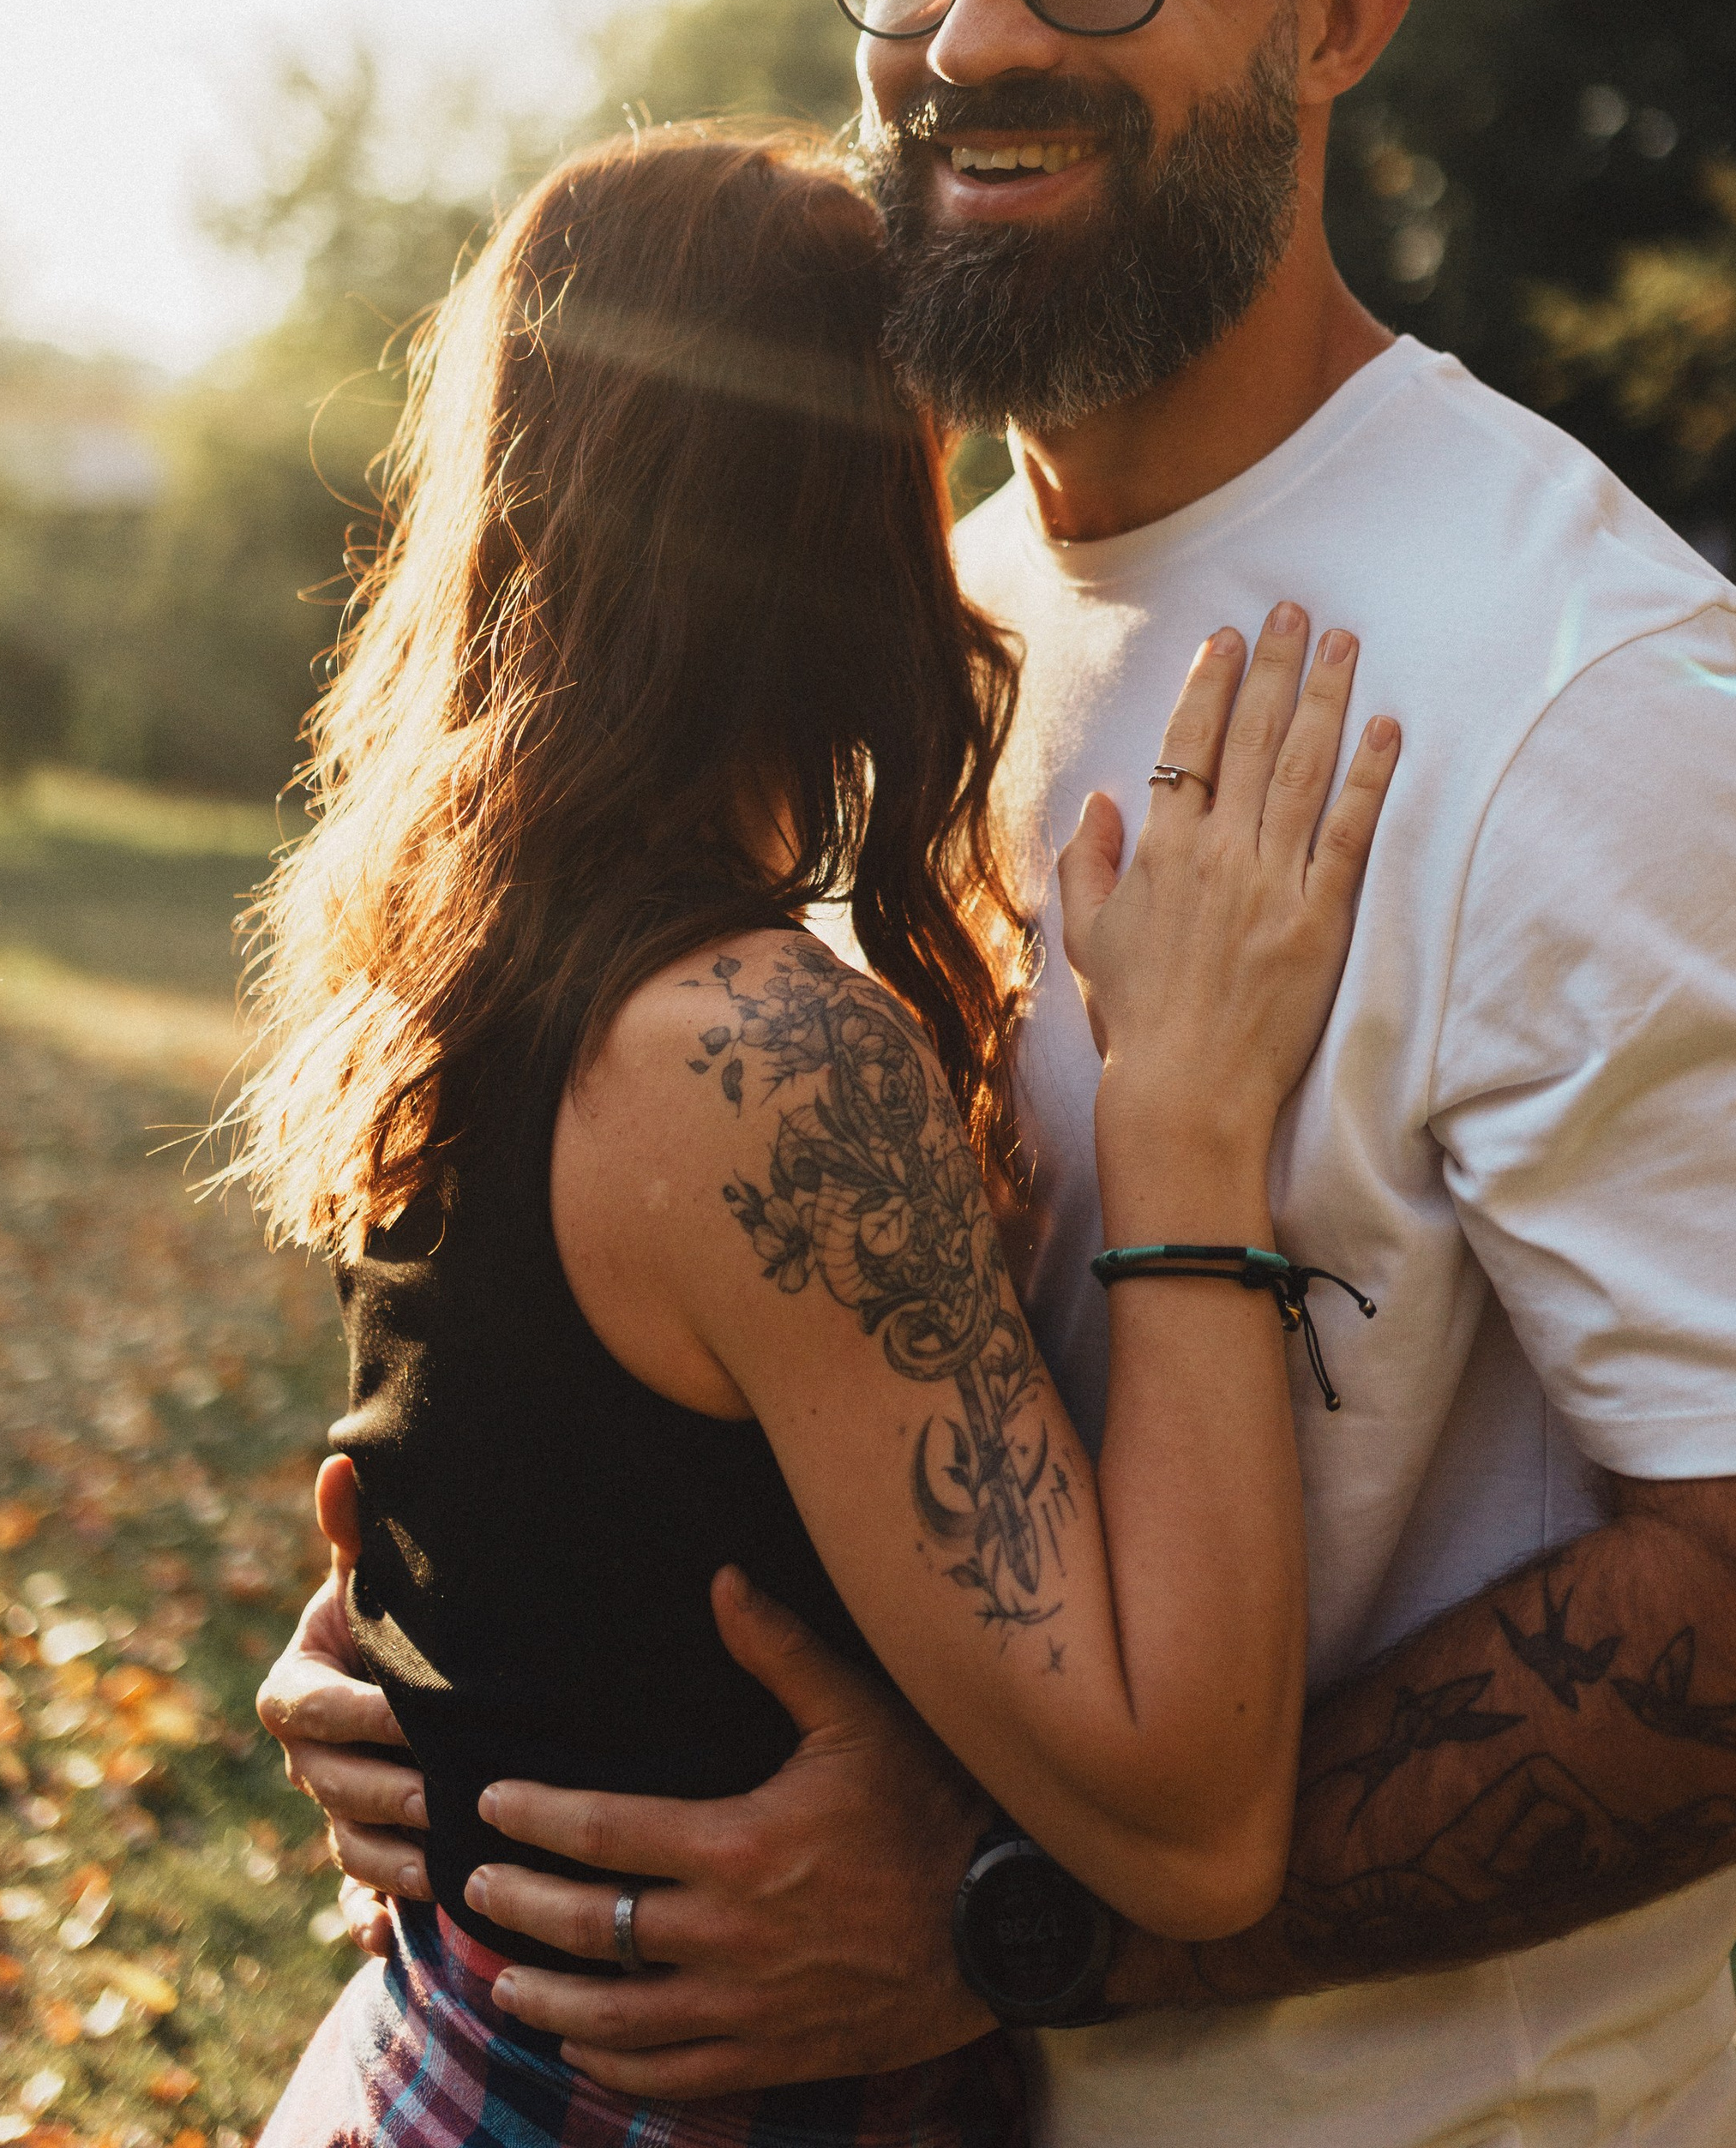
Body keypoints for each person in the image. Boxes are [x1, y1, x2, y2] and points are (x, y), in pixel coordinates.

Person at [264, 0, 1736, 2148]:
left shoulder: (1598, 699)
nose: (970, 35)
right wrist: (496, 1648)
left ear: (1337, 14)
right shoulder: (901, 630)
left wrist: (993, 1924)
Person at [238, 123, 1401, 2148]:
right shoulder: (756, 1058)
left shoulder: (477, 950)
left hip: (441, 2064)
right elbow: (1193, 1826)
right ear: (842, 511)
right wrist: (1190, 1116)